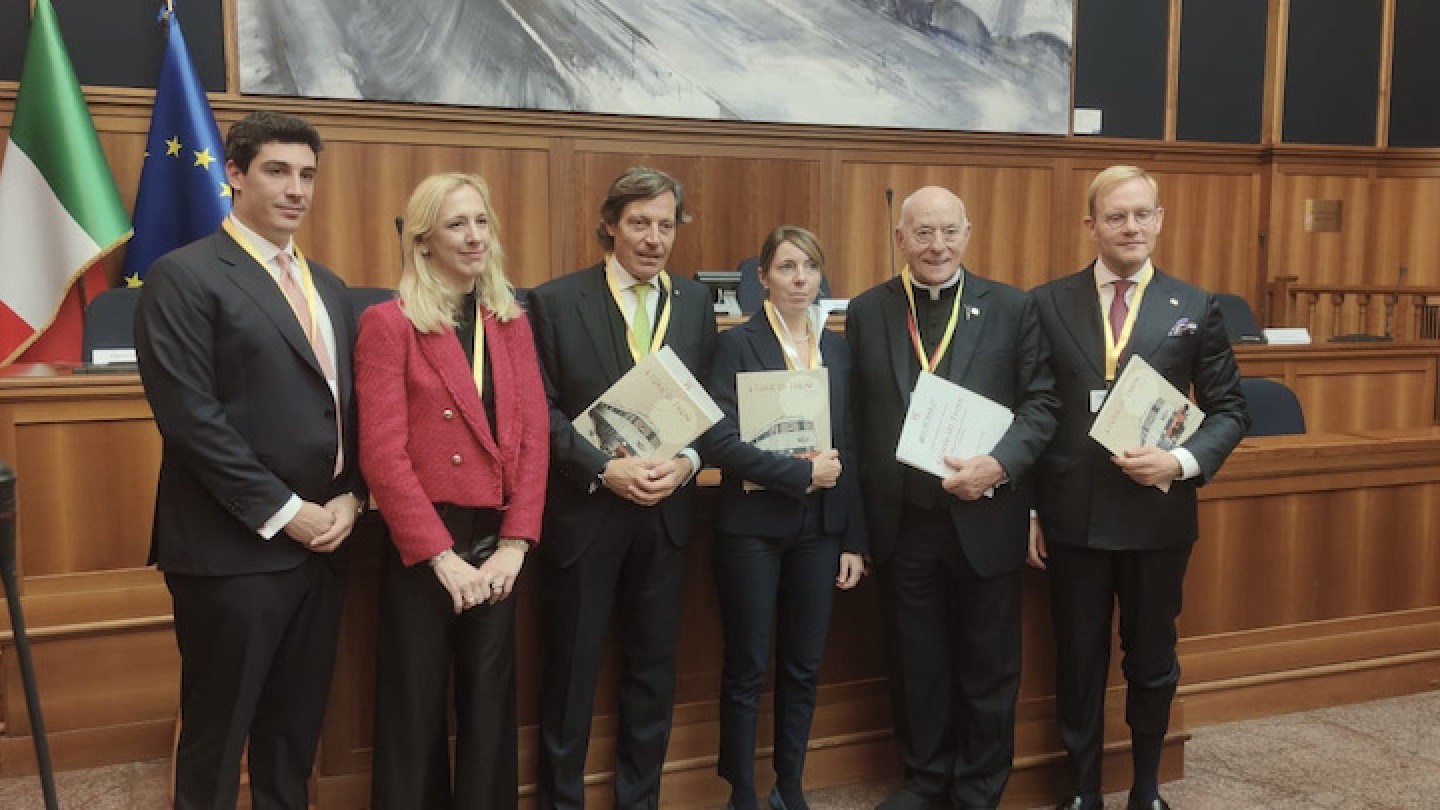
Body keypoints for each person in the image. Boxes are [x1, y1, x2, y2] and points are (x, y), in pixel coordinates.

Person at [134, 110, 365, 810]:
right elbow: (191, 422)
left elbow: (345, 410)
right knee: (217, 735)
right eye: (277, 170)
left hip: (325, 544)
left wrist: (352, 495)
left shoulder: (328, 285)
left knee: (293, 735)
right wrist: (288, 513)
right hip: (230, 552)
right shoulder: (183, 276)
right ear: (234, 174)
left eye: (307, 175)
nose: (295, 189)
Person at [1029, 165, 1249, 810]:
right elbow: (1036, 409)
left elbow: (1231, 408)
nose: (1131, 227)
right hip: (1071, 516)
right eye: (1116, 216)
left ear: (1159, 218)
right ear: (1091, 224)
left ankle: (1147, 789)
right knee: (1078, 662)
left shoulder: (1195, 306)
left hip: (1156, 516)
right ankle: (1082, 791)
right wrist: (1032, 510)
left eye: (1142, 214)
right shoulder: (1046, 303)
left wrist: (1181, 460)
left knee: (1152, 659)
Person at [846, 186, 1059, 810]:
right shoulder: (867, 310)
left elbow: (1043, 404)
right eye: (922, 233)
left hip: (985, 513)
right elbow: (857, 420)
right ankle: (924, 779)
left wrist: (1001, 465)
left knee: (989, 665)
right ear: (900, 239)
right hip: (904, 520)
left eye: (948, 232)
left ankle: (979, 790)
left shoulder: (1013, 308)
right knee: (916, 664)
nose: (936, 246)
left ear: (968, 233)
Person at [527, 166, 719, 809]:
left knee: (652, 675)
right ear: (610, 225)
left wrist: (689, 461)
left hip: (666, 515)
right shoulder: (555, 301)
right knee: (571, 676)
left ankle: (640, 801)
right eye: (640, 223)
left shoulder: (695, 304)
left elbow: (713, 406)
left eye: (666, 225)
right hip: (586, 514)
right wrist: (601, 467)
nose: (654, 239)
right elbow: (541, 412)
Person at [355, 173, 548, 809]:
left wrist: (516, 544)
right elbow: (382, 453)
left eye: (481, 222)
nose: (473, 237)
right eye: (456, 224)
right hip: (425, 542)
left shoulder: (511, 320)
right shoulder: (390, 324)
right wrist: (440, 558)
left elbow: (534, 438)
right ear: (423, 240)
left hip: (495, 540)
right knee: (413, 705)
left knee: (492, 705)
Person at [704, 226, 867, 810]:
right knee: (747, 665)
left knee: (803, 665)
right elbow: (717, 438)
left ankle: (789, 787)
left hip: (820, 532)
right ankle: (741, 790)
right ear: (763, 278)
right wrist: (798, 474)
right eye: (788, 267)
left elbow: (853, 444)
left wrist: (853, 538)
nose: (801, 279)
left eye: (811, 267)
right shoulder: (737, 343)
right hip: (751, 529)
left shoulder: (839, 349)